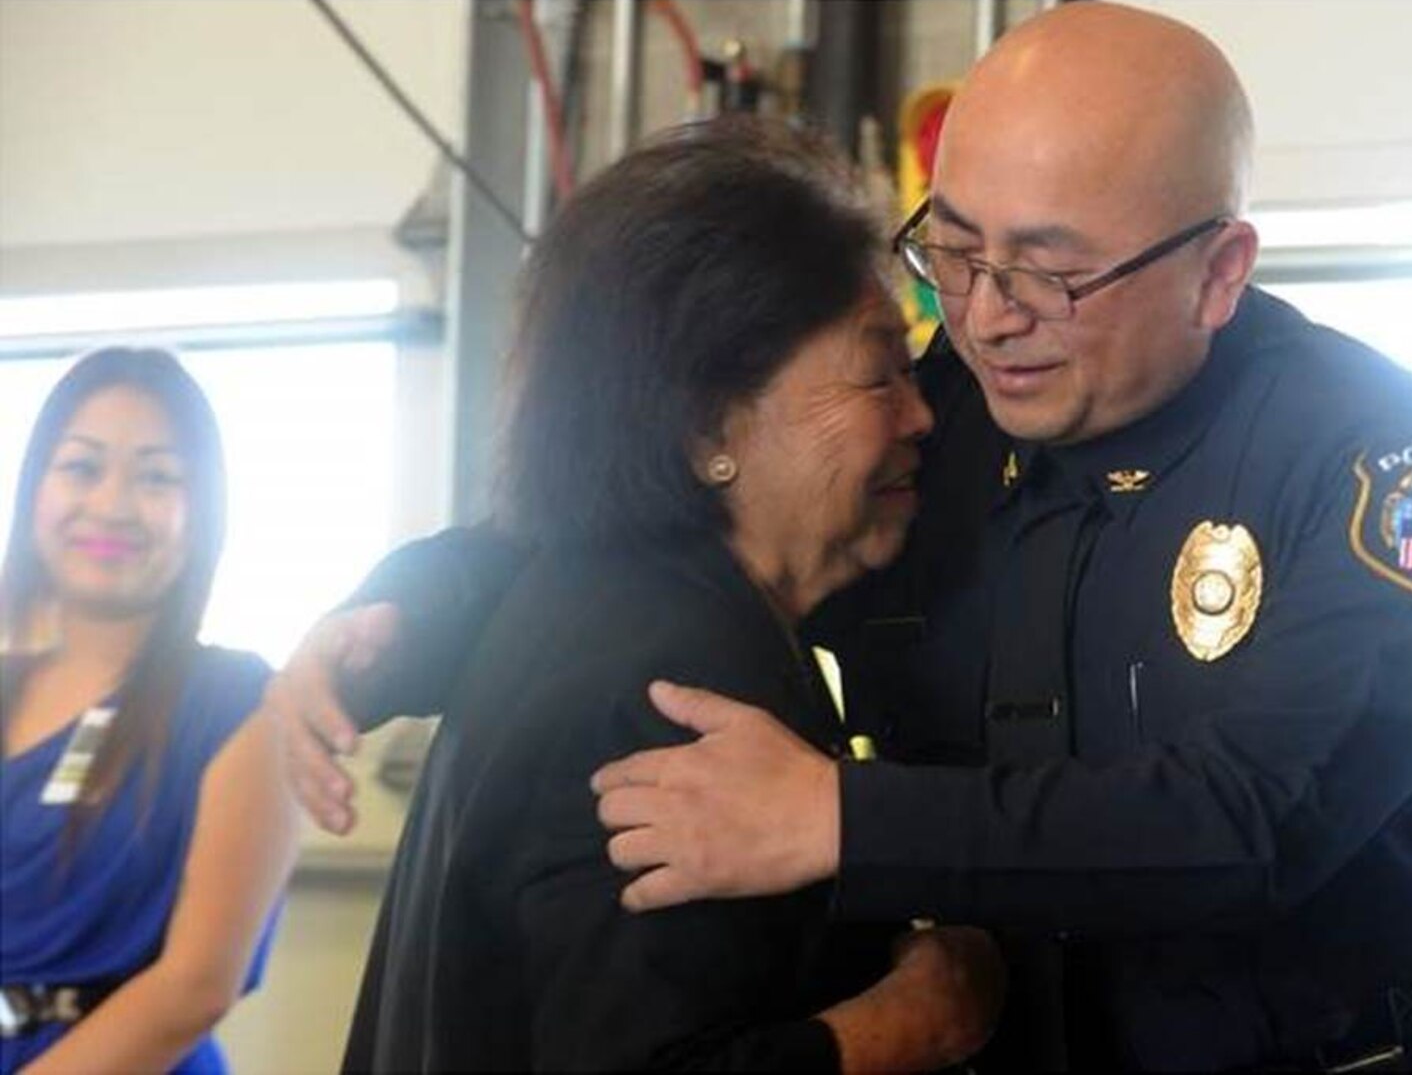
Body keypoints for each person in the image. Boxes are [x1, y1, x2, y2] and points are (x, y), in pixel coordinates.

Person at [273, 3, 1412, 1070]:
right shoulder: (933, 418)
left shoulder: (1387, 469)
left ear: (1216, 270)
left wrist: (839, 818)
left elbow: (1251, 820)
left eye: (1049, 271)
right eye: (950, 249)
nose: (987, 316)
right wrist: (399, 620)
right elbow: (666, 502)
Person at [337, 117, 1004, 1072]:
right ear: (704, 426)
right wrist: (905, 1026)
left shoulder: (608, 597)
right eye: (877, 372)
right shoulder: (668, 683)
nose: (921, 414)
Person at [0, 347, 296, 1074]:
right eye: (81, 467)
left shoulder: (243, 703)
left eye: (158, 477)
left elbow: (194, 988)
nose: (112, 505)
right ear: (35, 488)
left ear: (203, 513)